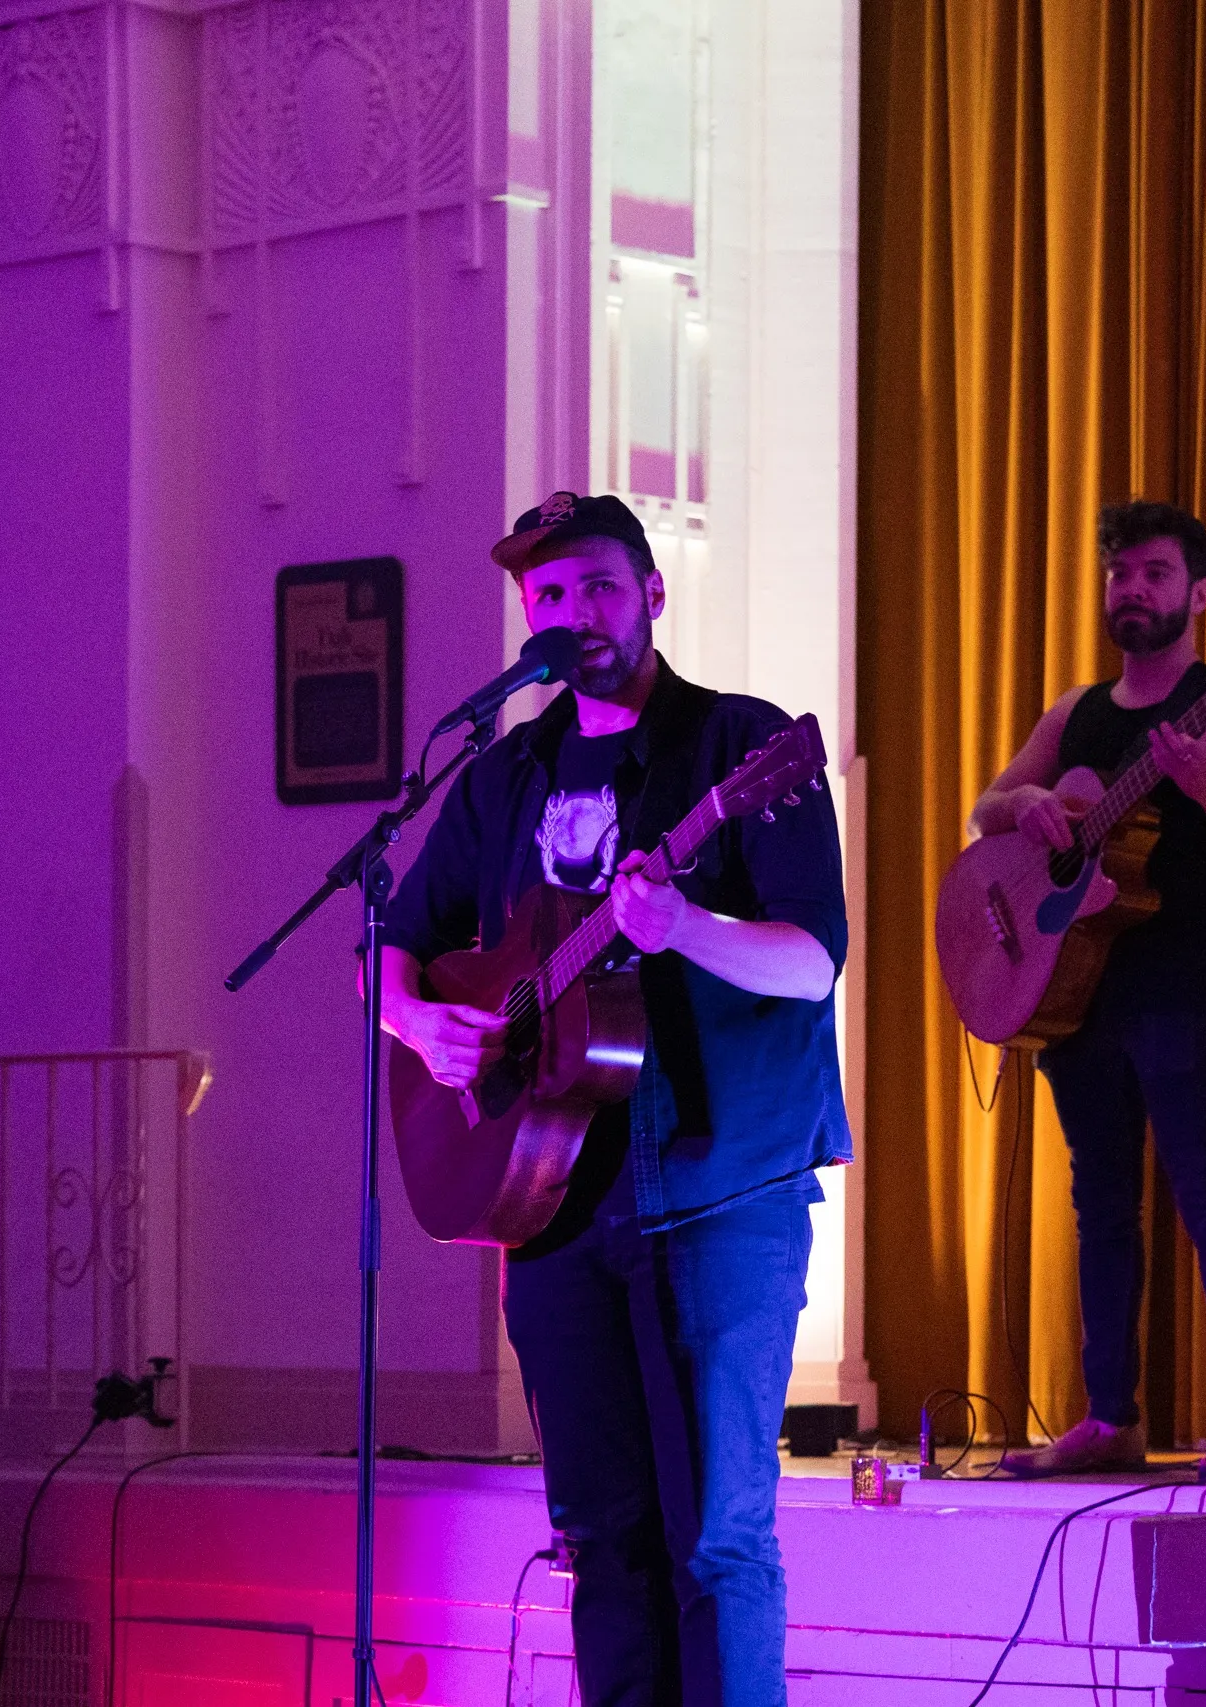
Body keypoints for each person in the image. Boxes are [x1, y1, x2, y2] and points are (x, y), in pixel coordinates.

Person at [381, 492, 846, 1705]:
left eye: (596, 585)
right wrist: (417, 1022)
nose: (572, 613)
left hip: (717, 1186)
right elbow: (396, 938)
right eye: (546, 596)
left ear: (650, 593)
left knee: (718, 1538)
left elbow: (813, 962)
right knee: (602, 1541)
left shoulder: (744, 749)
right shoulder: (502, 777)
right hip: (550, 1207)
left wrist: (684, 924)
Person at [969, 499, 1206, 1481]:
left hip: (1180, 984)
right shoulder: (1075, 714)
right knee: (1098, 1203)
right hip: (1077, 988)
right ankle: (1110, 1416)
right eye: (1119, 573)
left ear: (1198, 594)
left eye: (1153, 573)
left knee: (1205, 1193)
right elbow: (987, 810)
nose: (1131, 589)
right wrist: (1027, 802)